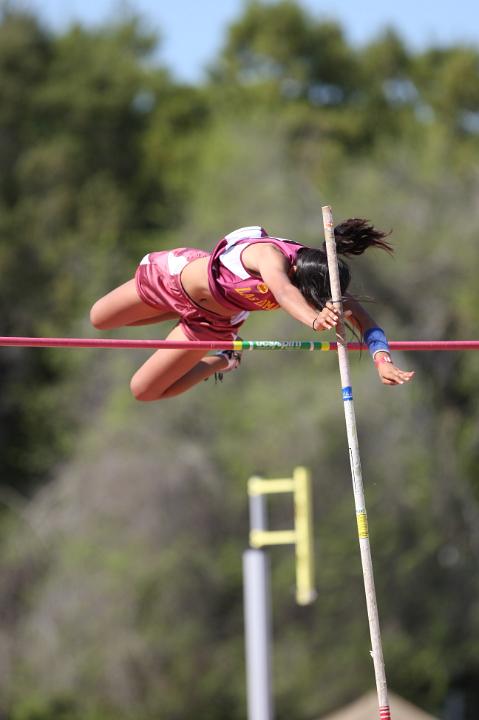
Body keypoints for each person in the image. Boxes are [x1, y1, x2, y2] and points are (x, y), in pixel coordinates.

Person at [90, 221, 414, 401]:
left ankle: (224, 358)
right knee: (99, 319)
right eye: (315, 301)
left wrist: (382, 360)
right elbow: (284, 292)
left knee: (144, 391)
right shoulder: (270, 256)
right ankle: (188, 325)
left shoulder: (322, 279)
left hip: (213, 323)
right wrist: (314, 319)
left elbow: (368, 324)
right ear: (304, 285)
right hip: (172, 280)